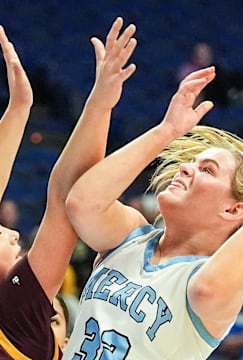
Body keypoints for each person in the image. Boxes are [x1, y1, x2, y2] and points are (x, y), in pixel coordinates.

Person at [63, 19, 243, 359]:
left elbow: (208, 287)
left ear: (233, 210)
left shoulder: (209, 285)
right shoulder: (131, 236)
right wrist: (166, 131)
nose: (186, 167)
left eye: (206, 169)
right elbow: (82, 202)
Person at [0, 17, 137, 359]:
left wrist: (19, 109)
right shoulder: (15, 315)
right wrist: (101, 105)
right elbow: (66, 199)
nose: (14, 233)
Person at [176, 42, 232, 107]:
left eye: (205, 54)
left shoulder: (218, 71)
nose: (203, 56)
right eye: (200, 54)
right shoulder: (186, 70)